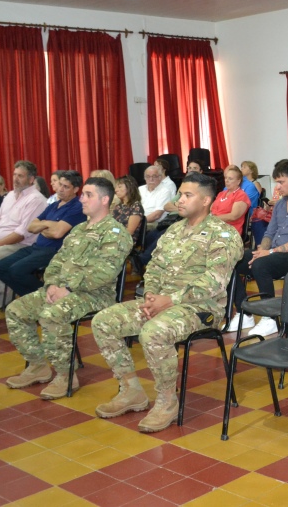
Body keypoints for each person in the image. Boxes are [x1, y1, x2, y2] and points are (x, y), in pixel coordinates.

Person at [91, 173, 243, 433]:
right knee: (103, 321)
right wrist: (150, 296)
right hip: (161, 301)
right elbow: (154, 266)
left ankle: (166, 401)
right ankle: (131, 391)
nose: (179, 200)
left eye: (187, 195)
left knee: (153, 332)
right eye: (180, 194)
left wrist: (169, 300)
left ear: (206, 200)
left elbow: (214, 283)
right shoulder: (174, 230)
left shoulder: (223, 235)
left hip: (201, 309)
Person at [4, 177, 133, 398]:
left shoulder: (115, 233)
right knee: (15, 311)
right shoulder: (79, 230)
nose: (82, 198)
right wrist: (53, 284)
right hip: (63, 289)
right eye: (83, 194)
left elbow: (105, 272)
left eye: (88, 195)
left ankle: (65, 376)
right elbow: (57, 261)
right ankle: (38, 366)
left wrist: (69, 289)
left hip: (94, 295)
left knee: (51, 315)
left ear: (104, 200)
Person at [234, 159, 288, 336]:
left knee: (261, 265)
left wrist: (269, 252)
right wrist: (261, 250)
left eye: (281, 182)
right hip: (273, 252)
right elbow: (269, 233)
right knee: (234, 260)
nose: (278, 187)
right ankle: (245, 313)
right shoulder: (281, 204)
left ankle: (270, 318)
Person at [0, 170, 87, 298]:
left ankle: (44, 297)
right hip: (36, 247)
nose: (60, 189)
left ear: (75, 189)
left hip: (54, 250)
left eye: (66, 187)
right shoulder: (53, 205)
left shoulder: (77, 207)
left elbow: (58, 233)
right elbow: (31, 227)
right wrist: (49, 224)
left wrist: (42, 226)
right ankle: (35, 297)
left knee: (16, 271)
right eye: (60, 185)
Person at [0, 161, 48, 309]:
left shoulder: (36, 200)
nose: (15, 179)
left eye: (21, 176)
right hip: (0, 241)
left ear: (31, 179)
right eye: (14, 175)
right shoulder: (10, 195)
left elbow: (22, 233)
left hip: (19, 245)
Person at [212, 166, 251, 235]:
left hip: (230, 233)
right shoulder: (221, 194)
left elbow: (233, 216)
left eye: (230, 179)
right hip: (214, 228)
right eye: (226, 178)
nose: (226, 181)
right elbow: (211, 209)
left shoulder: (241, 195)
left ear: (238, 181)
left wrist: (213, 219)